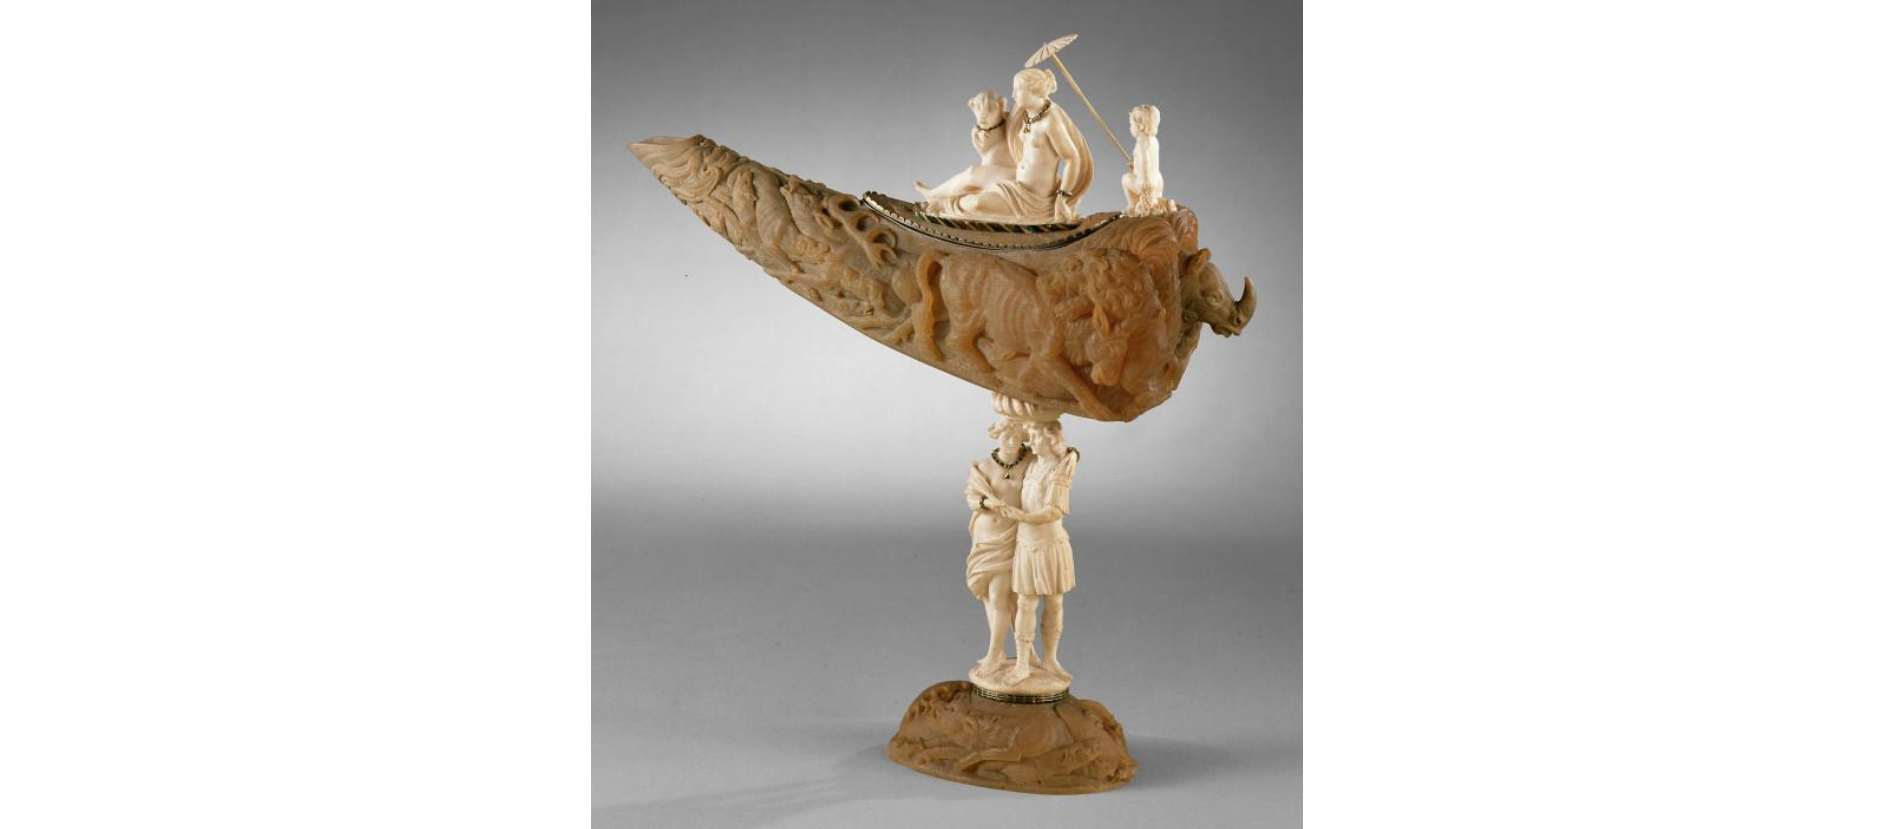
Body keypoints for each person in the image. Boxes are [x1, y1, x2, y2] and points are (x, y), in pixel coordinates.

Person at [936, 68, 1093, 223]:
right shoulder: (1025, 114)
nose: (1013, 94)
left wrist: (1062, 197)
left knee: (977, 203)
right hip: (1017, 187)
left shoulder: (1050, 123)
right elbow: (999, 124)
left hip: (1035, 200)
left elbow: (1073, 159)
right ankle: (939, 200)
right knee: (975, 183)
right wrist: (982, 130)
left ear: (1033, 89)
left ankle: (943, 205)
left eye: (1018, 89)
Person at [990, 419, 1080, 684]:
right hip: (1027, 545)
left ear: (1050, 440)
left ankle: (1050, 659)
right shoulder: (1032, 461)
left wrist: (1020, 516)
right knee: (1025, 603)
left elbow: (1053, 511)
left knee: (1054, 602)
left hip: (1050, 544)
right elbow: (1006, 455)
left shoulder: (1058, 469)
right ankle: (1022, 663)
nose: (1030, 441)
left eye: (1035, 436)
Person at [964, 415, 1029, 678]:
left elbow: (1057, 458)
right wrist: (988, 503)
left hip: (1010, 538)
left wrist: (1072, 454)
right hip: (984, 540)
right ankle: (1000, 651)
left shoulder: (1031, 461)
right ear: (997, 435)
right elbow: (971, 497)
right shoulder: (984, 466)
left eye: (1017, 435)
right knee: (990, 597)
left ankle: (994, 655)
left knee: (1000, 596)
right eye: (1006, 435)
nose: (1011, 440)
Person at [915, 91, 1017, 213]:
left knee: (972, 173)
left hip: (1013, 176)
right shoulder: (979, 132)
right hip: (995, 173)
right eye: (978, 107)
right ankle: (937, 198)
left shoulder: (1011, 124)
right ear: (972, 106)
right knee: (971, 184)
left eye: (990, 108)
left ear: (1001, 106)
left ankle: (935, 196)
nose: (983, 114)